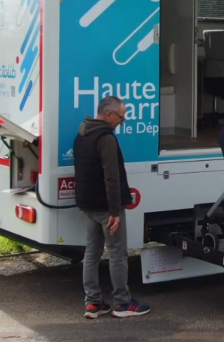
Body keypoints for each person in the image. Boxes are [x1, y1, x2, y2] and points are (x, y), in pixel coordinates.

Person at [73, 96, 151, 319]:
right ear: (108, 114)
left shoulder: (82, 134)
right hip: (107, 207)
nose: (121, 122)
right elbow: (111, 177)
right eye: (121, 117)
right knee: (117, 254)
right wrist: (115, 212)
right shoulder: (106, 138)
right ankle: (122, 303)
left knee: (92, 252)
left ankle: (93, 302)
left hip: (88, 204)